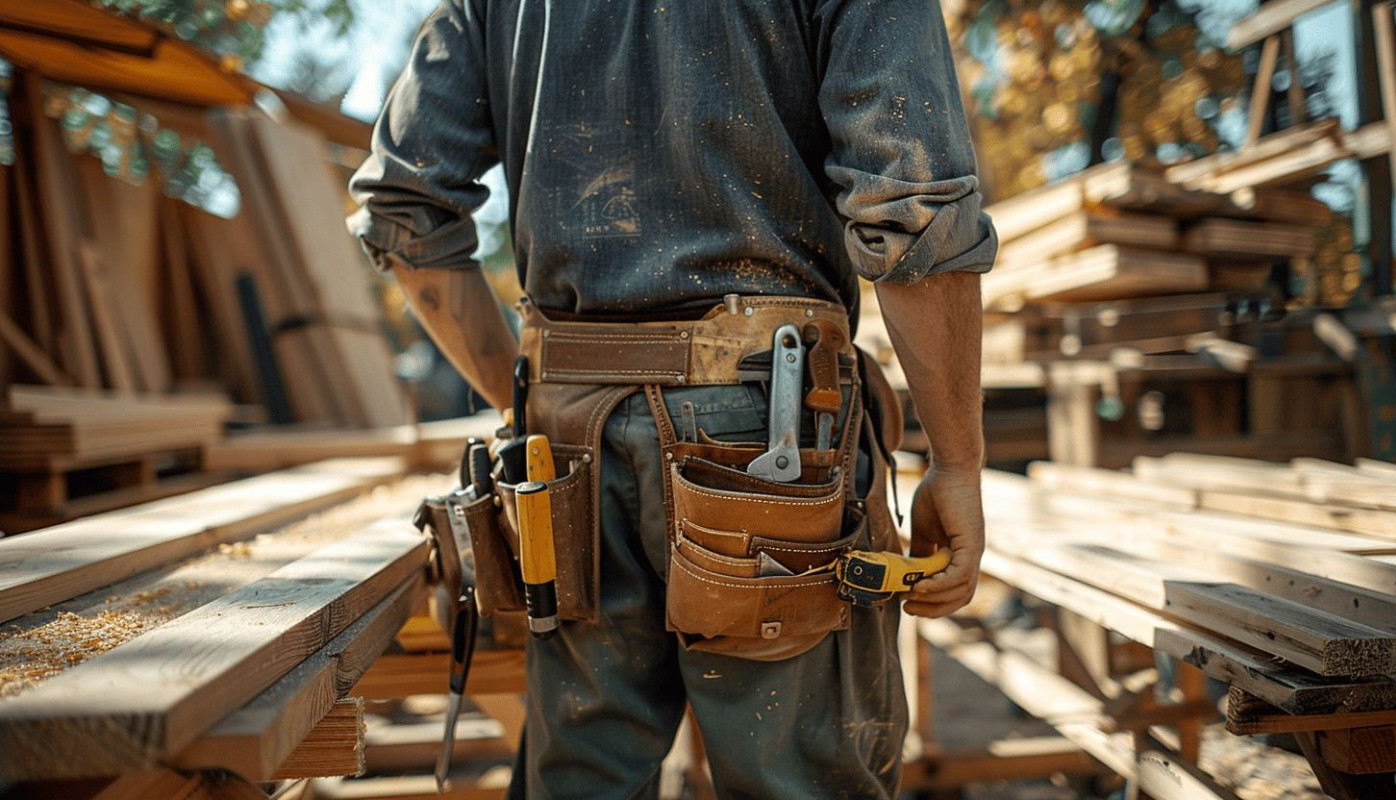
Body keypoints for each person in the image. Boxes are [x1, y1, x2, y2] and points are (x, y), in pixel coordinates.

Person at [348, 1, 997, 796]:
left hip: (568, 447)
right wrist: (958, 462)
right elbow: (915, 196)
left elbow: (402, 206)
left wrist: (536, 399)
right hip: (771, 432)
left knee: (580, 779)